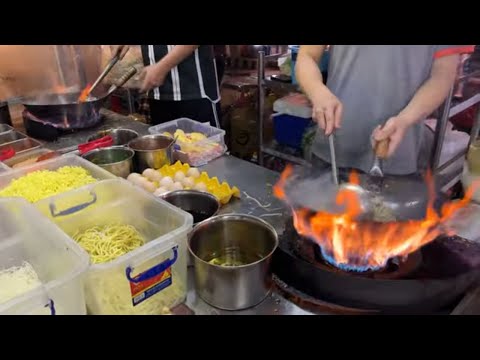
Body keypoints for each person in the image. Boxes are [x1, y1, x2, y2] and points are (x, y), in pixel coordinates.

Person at [296, 45, 475, 175]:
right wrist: (318, 92)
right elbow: (307, 55)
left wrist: (405, 119)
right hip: (334, 144)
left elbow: (442, 77)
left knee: (384, 224)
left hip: (399, 150)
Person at [114, 45, 221, 128]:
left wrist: (162, 67)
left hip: (194, 93)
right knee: (166, 153)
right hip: (159, 94)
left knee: (206, 151)